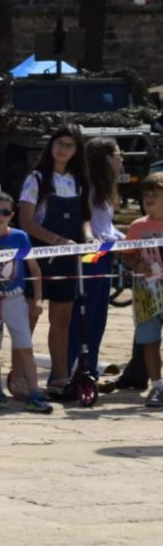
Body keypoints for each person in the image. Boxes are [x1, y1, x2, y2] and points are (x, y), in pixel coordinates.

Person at [17, 124, 89, 398]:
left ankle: (59, 377)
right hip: (39, 257)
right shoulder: (36, 178)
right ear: (51, 145)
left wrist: (88, 238)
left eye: (69, 145)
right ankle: (19, 376)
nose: (63, 149)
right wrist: (56, 241)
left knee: (62, 317)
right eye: (59, 143)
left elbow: (84, 220)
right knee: (30, 315)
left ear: (76, 150)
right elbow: (26, 221)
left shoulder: (79, 181)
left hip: (68, 259)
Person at [0, 192, 52, 413]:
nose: (0, 216)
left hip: (15, 298)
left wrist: (38, 298)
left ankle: (34, 393)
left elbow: (34, 269)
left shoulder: (20, 237)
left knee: (25, 346)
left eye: (5, 212)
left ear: (12, 214)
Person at [71, 137, 124, 380]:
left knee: (98, 317)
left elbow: (107, 227)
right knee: (84, 316)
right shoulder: (88, 188)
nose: (121, 159)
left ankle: (90, 369)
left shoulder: (104, 190)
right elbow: (92, 228)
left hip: (105, 256)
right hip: (91, 257)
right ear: (105, 158)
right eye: (117, 154)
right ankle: (75, 369)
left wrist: (128, 237)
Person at [123, 172, 163, 407]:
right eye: (146, 193)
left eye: (155, 194)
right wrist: (138, 263)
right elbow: (126, 256)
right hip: (146, 295)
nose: (149, 197)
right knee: (150, 342)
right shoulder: (137, 227)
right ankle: (156, 386)